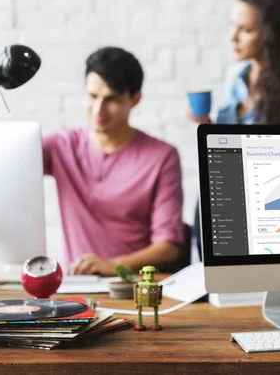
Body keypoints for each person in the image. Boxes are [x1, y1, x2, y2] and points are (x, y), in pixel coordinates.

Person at [189, 0, 280, 257]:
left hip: (265, 209)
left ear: (272, 36)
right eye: (233, 26)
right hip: (221, 192)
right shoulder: (235, 76)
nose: (233, 37)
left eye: (246, 30)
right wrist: (207, 125)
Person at [43, 47, 188, 276]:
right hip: (77, 285)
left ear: (136, 99)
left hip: (131, 284)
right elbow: (4, 166)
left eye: (111, 99)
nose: (98, 110)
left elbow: (168, 248)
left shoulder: (162, 157)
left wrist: (114, 265)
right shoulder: (60, 146)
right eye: (92, 96)